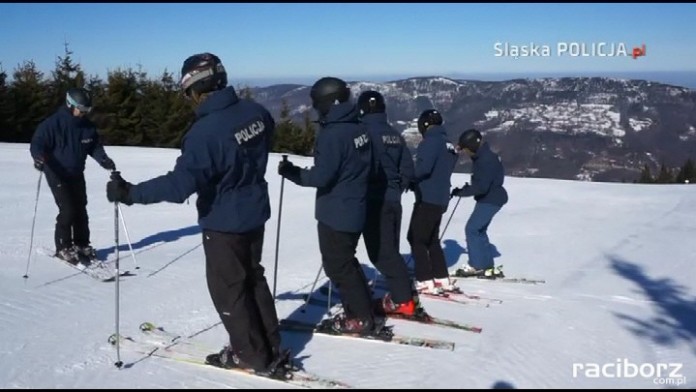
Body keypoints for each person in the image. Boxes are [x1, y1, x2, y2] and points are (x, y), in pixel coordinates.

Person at [105, 52, 290, 377]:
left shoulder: (206, 133)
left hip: (224, 221)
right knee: (253, 278)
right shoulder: (256, 112)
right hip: (255, 211)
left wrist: (131, 193)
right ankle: (270, 345)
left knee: (230, 290)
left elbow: (179, 186)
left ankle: (251, 355)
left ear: (194, 89)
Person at [277, 77, 385, 336]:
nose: (315, 108)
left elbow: (322, 176)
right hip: (354, 206)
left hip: (337, 212)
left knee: (338, 266)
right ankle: (363, 308)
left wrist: (293, 173)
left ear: (327, 103)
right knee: (346, 262)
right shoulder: (358, 128)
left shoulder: (333, 134)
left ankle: (361, 318)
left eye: (317, 103)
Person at [30, 87, 116, 265]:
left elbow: (94, 146)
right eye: (81, 110)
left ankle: (82, 244)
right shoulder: (53, 124)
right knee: (68, 210)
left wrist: (104, 160)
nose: (84, 114)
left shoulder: (87, 127)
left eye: (87, 110)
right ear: (70, 105)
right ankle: (63, 247)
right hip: (56, 172)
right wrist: (38, 157)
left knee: (81, 209)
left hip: (76, 172)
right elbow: (38, 142)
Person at [355, 90, 417, 317]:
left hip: (374, 200)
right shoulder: (394, 134)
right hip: (393, 200)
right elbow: (408, 169)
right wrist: (396, 189)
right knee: (390, 249)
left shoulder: (362, 134)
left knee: (382, 254)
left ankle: (403, 301)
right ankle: (403, 294)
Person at [407, 109, 459, 294]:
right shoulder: (448, 145)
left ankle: (424, 280)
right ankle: (441, 277)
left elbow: (423, 169)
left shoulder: (430, 142)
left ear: (424, 125)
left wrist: (408, 178)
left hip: (427, 197)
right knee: (432, 239)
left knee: (416, 238)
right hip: (442, 197)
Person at [451, 129, 508, 278]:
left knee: (472, 229)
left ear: (472, 146)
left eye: (466, 149)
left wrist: (463, 192)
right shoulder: (484, 156)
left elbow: (482, 187)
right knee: (479, 230)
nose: (465, 152)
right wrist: (467, 189)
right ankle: (486, 265)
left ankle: (476, 265)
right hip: (491, 198)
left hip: (490, 199)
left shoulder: (485, 160)